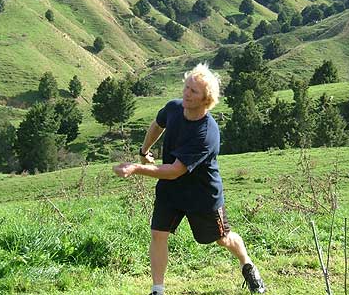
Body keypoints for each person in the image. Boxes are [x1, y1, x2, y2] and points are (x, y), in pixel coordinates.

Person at [113, 63, 266, 294]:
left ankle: (248, 265)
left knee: (222, 239)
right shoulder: (174, 108)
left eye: (193, 91)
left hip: (201, 195)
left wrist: (135, 168)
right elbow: (157, 124)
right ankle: (157, 289)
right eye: (186, 87)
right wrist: (144, 152)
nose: (186, 93)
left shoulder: (206, 133)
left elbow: (175, 170)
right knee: (158, 233)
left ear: (206, 99)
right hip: (171, 191)